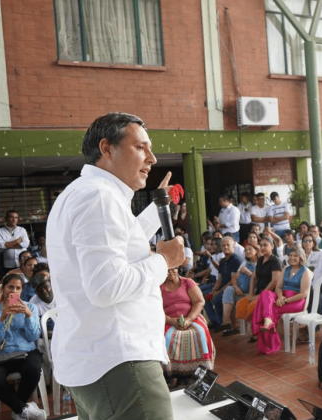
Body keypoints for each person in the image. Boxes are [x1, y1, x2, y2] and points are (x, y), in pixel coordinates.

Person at [45, 113, 185, 420]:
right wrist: (165, 261)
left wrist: (158, 207)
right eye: (141, 148)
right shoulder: (99, 197)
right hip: (120, 364)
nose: (152, 158)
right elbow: (106, 287)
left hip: (100, 360)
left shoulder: (83, 193)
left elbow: (119, 242)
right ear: (106, 149)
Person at [0, 273, 45, 420]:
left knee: (34, 368)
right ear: (2, 288)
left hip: (26, 353)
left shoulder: (30, 307)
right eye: (10, 287)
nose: (14, 291)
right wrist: (2, 318)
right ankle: (23, 409)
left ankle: (19, 410)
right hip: (0, 356)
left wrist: (29, 315)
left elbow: (33, 337)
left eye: (18, 288)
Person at [252, 245, 312, 354]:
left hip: (296, 301)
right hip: (282, 296)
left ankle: (268, 334)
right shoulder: (286, 269)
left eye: (295, 256)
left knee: (269, 308)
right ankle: (268, 322)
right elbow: (278, 287)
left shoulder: (305, 271)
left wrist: (285, 301)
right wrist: (280, 297)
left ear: (301, 257)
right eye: (290, 255)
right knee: (265, 294)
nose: (292, 258)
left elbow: (303, 294)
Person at [160, 268, 214, 384]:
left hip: (191, 316)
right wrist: (171, 320)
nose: (169, 271)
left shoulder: (187, 282)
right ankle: (174, 374)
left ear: (177, 268)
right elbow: (155, 309)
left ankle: (200, 373)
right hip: (168, 320)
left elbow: (199, 301)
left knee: (200, 332)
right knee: (168, 337)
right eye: (166, 269)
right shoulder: (158, 287)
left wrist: (189, 319)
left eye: (172, 268)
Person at [235, 237, 282, 339]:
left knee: (253, 306)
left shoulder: (275, 261)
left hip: (270, 295)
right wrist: (251, 293)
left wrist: (260, 295)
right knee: (241, 303)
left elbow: (274, 281)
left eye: (266, 245)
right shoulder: (260, 260)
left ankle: (258, 333)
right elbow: (253, 277)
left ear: (272, 246)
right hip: (259, 292)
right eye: (261, 245)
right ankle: (255, 329)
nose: (263, 247)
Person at [204, 237, 243, 331]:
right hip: (222, 288)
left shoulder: (236, 260)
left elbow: (232, 281)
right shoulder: (223, 261)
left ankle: (223, 323)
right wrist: (213, 291)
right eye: (223, 245)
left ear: (233, 246)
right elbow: (219, 279)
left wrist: (218, 291)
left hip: (232, 288)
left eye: (228, 245)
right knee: (205, 296)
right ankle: (216, 321)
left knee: (217, 298)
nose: (225, 247)